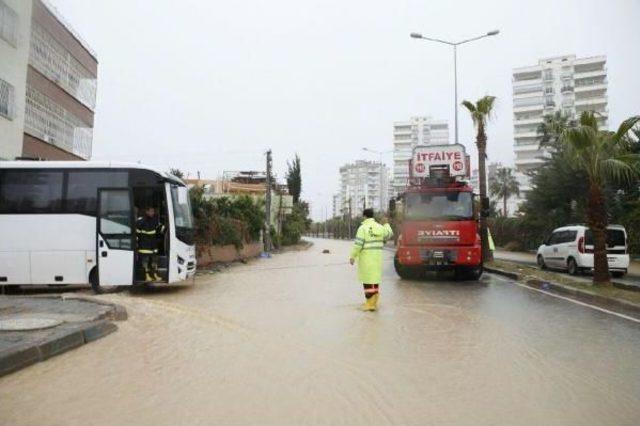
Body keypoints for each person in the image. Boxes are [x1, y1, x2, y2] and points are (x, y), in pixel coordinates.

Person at [349, 208, 393, 311]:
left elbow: (358, 245)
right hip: (377, 259)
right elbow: (389, 234)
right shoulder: (379, 227)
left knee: (367, 282)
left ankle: (369, 304)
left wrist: (352, 256)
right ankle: (374, 303)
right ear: (372, 216)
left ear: (364, 216)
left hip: (366, 260)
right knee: (375, 281)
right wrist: (386, 224)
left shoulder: (362, 228)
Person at [136, 206, 165, 282]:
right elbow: (137, 233)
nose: (153, 213)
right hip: (144, 246)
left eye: (153, 211)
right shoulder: (140, 221)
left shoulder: (155, 221)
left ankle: (155, 275)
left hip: (153, 246)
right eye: (151, 211)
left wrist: (166, 227)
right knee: (145, 263)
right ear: (147, 212)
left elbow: (161, 229)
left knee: (154, 262)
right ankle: (147, 276)